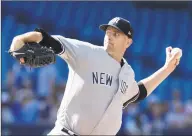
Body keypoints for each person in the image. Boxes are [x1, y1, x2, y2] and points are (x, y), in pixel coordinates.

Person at [9, 17, 182, 135]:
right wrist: (24, 37)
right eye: (108, 33)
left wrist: (167, 69)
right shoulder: (87, 52)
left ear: (128, 42)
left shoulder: (128, 73)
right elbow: (51, 41)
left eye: (116, 34)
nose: (109, 37)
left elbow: (138, 93)